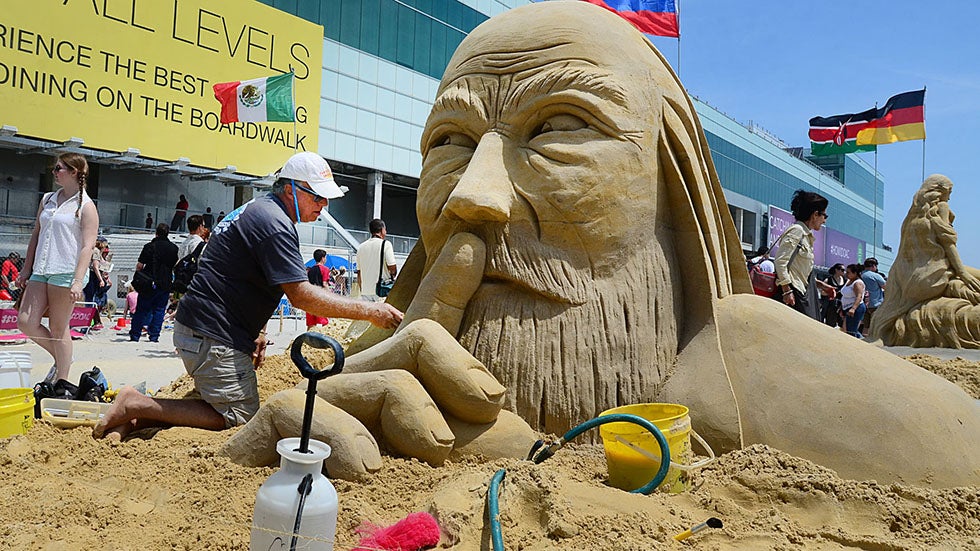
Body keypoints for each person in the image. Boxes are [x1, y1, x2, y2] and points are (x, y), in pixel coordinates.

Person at [221, 2, 979, 487]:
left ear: (670, 176)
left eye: (559, 128)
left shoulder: (761, 380)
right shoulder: (375, 344)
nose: (471, 196)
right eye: (450, 142)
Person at [94, 151, 403, 441]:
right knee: (240, 417)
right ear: (290, 189)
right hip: (211, 334)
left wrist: (257, 330)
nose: (323, 205)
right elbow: (301, 295)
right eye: (318, 196)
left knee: (219, 404)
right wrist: (369, 311)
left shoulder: (255, 210)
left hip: (206, 328)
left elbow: (239, 272)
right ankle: (136, 404)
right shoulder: (275, 223)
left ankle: (138, 418)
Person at [16, 153, 99, 386]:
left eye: (59, 168)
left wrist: (78, 280)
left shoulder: (86, 206)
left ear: (74, 172)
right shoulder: (47, 199)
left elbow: (87, 246)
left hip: (65, 271)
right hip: (41, 269)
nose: (54, 172)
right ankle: (63, 358)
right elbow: (36, 235)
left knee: (58, 328)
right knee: (25, 321)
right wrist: (26, 269)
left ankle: (62, 380)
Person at [870, 175, 980, 347]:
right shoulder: (942, 208)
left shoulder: (911, 218)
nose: (949, 197)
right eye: (949, 192)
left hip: (910, 279)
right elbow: (948, 245)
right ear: (939, 191)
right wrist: (962, 273)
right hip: (934, 275)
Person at [774, 190, 838, 319]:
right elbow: (780, 262)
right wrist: (787, 291)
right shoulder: (797, 231)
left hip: (800, 292)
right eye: (824, 216)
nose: (824, 220)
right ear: (815, 215)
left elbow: (799, 271)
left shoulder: (806, 235)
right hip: (793, 295)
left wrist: (821, 285)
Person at [129, 224, 178, 343]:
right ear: (168, 233)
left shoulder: (149, 246)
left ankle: (135, 335)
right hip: (165, 282)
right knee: (159, 310)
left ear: (156, 233)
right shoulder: (174, 248)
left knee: (141, 309)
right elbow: (174, 266)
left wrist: (138, 277)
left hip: (148, 282)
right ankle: (154, 336)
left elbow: (140, 266)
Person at [356, 218, 397, 301]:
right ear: (382, 230)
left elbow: (359, 273)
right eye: (385, 229)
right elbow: (392, 266)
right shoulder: (385, 244)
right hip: (381, 290)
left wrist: (362, 289)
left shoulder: (361, 247)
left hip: (365, 291)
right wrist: (393, 274)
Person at [82, 238, 112, 330]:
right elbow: (95, 267)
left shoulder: (93, 250)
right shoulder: (96, 251)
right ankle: (86, 324)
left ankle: (92, 322)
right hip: (92, 277)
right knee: (90, 300)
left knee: (90, 299)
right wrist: (101, 280)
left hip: (89, 275)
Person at [859, 257, 886, 336]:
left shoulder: (860, 275)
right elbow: (886, 287)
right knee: (875, 326)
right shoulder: (875, 276)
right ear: (873, 266)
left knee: (866, 326)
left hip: (863, 304)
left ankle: (864, 341)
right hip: (875, 304)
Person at [840, 264, 867, 338]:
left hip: (856, 308)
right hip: (847, 308)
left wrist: (853, 308)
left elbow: (859, 296)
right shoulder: (849, 281)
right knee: (846, 329)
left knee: (851, 331)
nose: (846, 274)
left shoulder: (858, 283)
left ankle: (862, 343)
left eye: (848, 272)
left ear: (855, 273)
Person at [305, 249, 331, 328]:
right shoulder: (325, 269)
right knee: (324, 323)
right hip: (320, 297)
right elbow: (324, 284)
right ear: (323, 258)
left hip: (309, 297)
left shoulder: (310, 270)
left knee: (311, 323)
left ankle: (308, 339)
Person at [821, 263, 846, 328]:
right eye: (842, 270)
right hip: (830, 304)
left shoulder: (846, 281)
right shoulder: (828, 280)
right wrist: (831, 292)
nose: (844, 272)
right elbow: (822, 292)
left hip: (841, 305)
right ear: (836, 270)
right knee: (830, 322)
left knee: (842, 324)